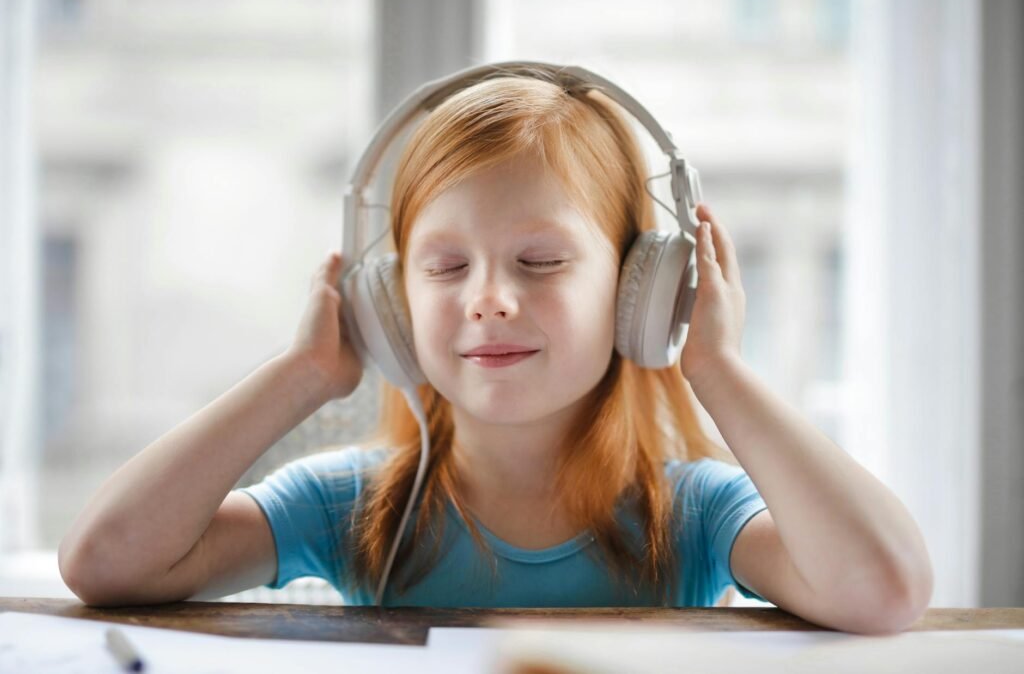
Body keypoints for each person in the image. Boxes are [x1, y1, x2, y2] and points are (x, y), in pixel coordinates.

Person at [58, 69, 932, 635]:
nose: (489, 297)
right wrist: (302, 378)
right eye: (444, 266)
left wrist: (717, 369)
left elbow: (885, 589)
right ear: (389, 304)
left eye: (541, 261)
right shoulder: (358, 507)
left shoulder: (692, 513)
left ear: (644, 292)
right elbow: (104, 563)